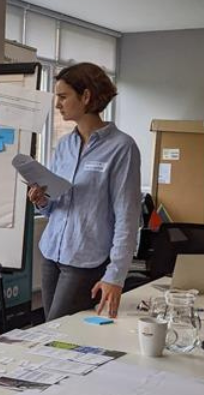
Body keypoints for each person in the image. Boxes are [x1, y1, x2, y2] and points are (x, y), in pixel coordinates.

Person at [28, 62, 141, 321]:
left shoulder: (122, 147)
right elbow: (56, 202)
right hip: (51, 252)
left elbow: (128, 216)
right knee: (51, 331)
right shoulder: (65, 144)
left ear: (86, 96)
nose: (57, 104)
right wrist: (41, 200)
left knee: (60, 331)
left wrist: (115, 276)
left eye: (63, 97)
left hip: (85, 260)